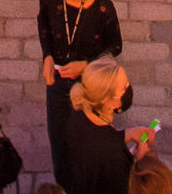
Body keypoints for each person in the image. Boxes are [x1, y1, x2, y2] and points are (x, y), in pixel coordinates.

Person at [38, 0, 125, 185]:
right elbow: (44, 24)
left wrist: (86, 65)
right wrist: (47, 56)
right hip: (57, 80)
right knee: (59, 141)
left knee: (86, 142)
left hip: (89, 85)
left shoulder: (103, 7)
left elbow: (116, 45)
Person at [63, 57, 153, 194]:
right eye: (123, 88)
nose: (128, 88)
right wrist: (142, 161)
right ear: (108, 101)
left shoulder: (79, 114)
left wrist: (125, 135)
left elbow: (98, 138)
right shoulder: (114, 154)